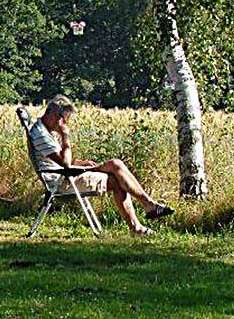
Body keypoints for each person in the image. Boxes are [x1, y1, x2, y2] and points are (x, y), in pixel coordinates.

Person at [29, 95, 174, 236]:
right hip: (62, 182)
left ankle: (146, 210)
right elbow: (65, 164)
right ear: (55, 115)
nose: (66, 123)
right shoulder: (41, 134)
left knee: (115, 165)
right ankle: (142, 216)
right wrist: (65, 137)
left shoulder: (46, 131)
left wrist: (80, 163)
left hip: (65, 175)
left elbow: (58, 161)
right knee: (116, 175)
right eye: (65, 119)